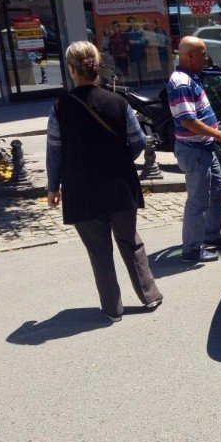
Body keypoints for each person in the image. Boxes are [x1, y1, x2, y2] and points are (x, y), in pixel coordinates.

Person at [46, 41, 163, 322]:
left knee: (99, 252)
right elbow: (137, 143)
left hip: (81, 190)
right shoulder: (119, 102)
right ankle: (149, 297)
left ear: (71, 70)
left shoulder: (60, 107)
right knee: (131, 242)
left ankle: (113, 309)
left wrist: (53, 187)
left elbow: (55, 151)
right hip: (120, 186)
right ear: (97, 67)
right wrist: (117, 160)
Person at [168, 36, 221, 263]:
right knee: (197, 201)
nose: (207, 57)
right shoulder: (181, 82)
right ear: (188, 57)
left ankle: (211, 236)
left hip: (204, 147)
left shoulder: (192, 77)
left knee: (219, 191)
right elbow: (188, 121)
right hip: (194, 151)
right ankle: (191, 250)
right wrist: (218, 134)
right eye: (203, 53)